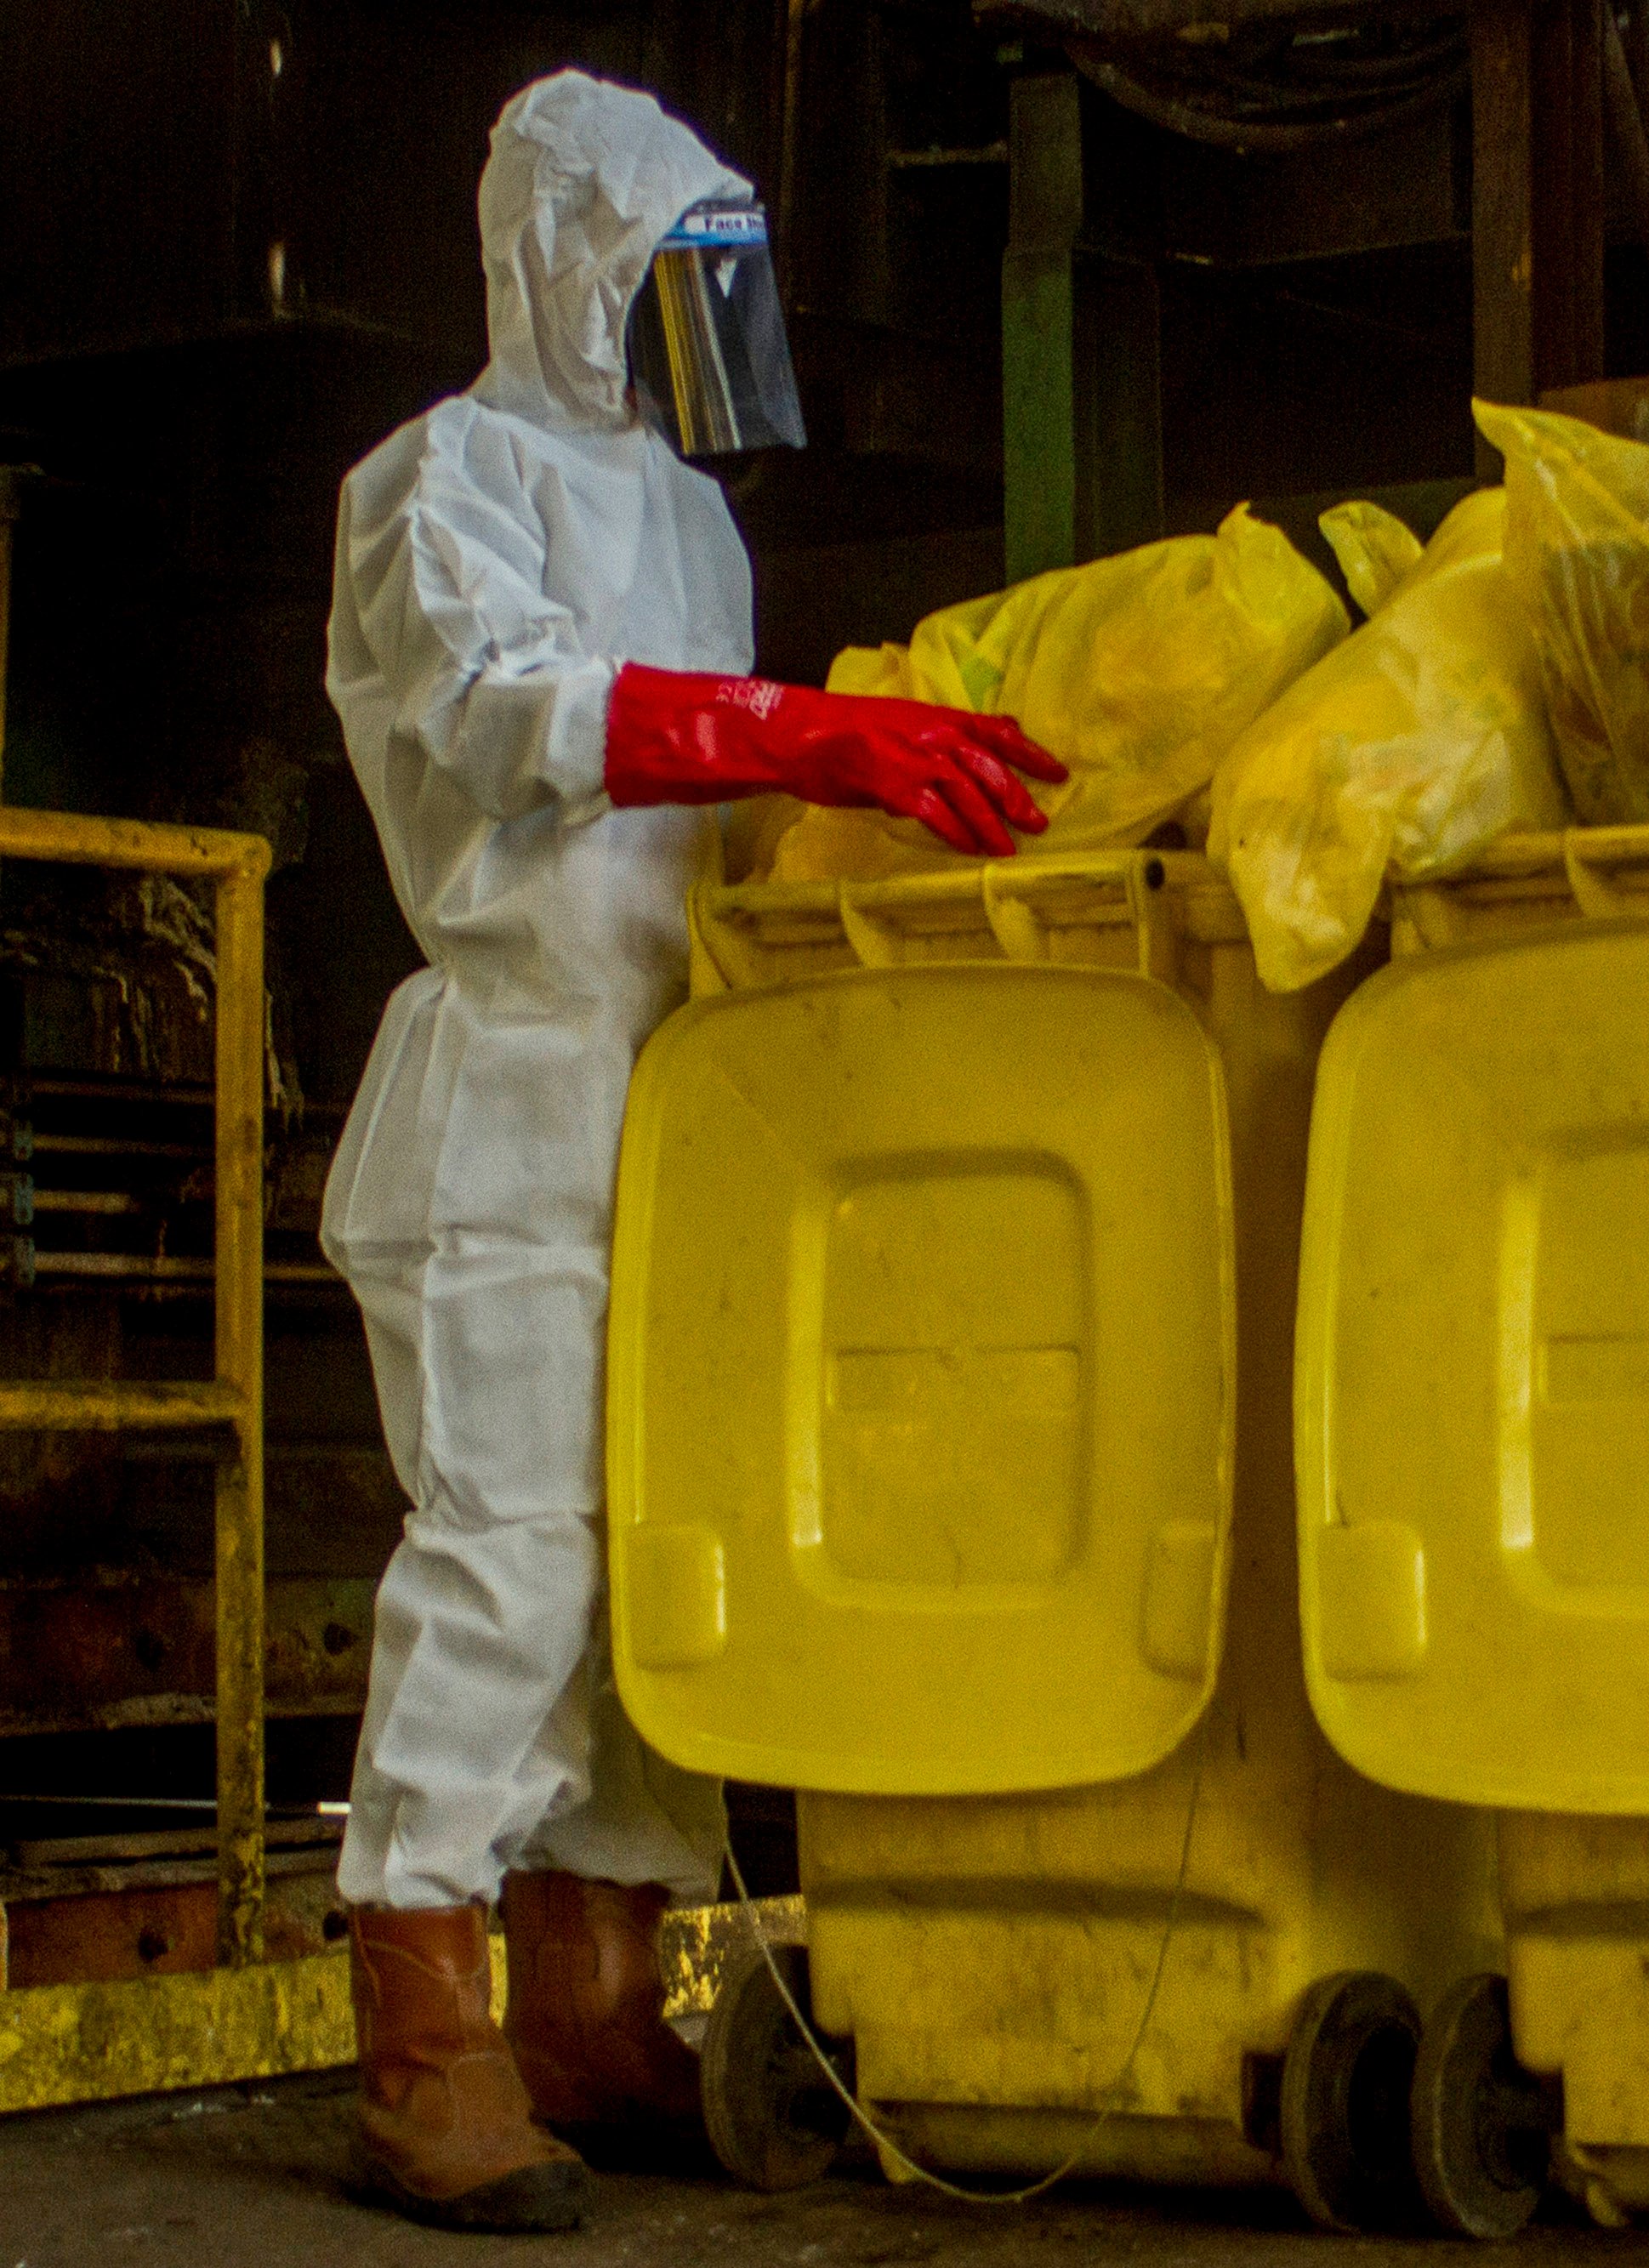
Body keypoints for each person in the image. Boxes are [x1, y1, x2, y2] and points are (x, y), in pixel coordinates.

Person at [318, 69, 1061, 2233]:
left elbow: (711, 808)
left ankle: (593, 2000)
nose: (681, 327)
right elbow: (524, 718)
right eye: (659, 276)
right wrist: (809, 725)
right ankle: (421, 2021)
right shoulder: (432, 481)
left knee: (658, 1552)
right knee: (511, 1548)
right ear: (562, 256)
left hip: (689, 1094)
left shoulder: (700, 521)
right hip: (517, 1091)